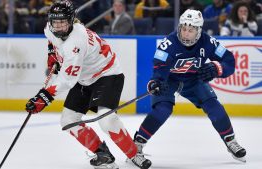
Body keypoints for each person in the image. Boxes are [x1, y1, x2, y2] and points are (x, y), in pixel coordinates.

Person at [25, 1, 151, 169]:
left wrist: (44, 97)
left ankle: (134, 154)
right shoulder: (50, 29)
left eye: (63, 22)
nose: (59, 27)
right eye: (56, 22)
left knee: (107, 120)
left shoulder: (76, 42)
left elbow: (67, 80)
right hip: (84, 77)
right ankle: (102, 153)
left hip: (107, 74)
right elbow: (52, 40)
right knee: (68, 120)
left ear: (71, 21)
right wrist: (53, 53)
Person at [133, 9, 247, 164]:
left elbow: (229, 61)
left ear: (199, 31)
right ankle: (137, 143)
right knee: (163, 109)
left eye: (191, 30)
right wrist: (156, 82)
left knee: (214, 106)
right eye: (184, 29)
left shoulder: (208, 42)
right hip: (169, 80)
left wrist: (216, 68)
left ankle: (230, 140)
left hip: (194, 79)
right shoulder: (169, 44)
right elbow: (159, 69)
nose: (186, 33)